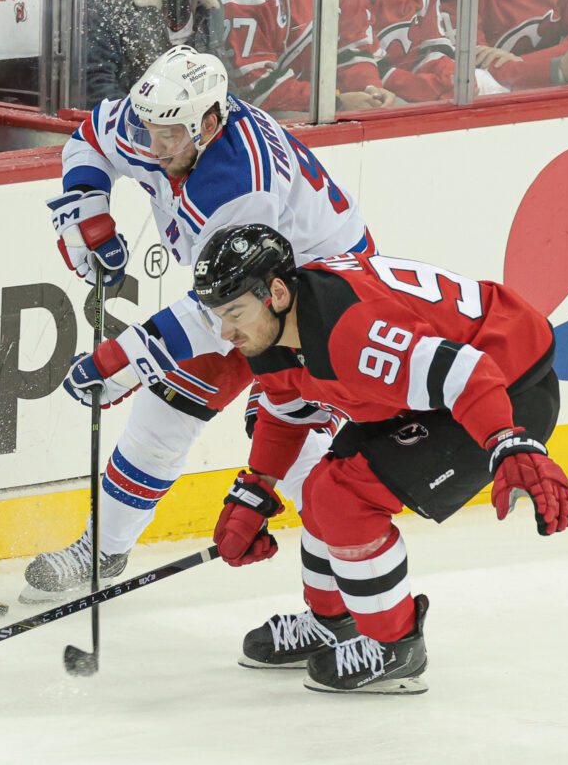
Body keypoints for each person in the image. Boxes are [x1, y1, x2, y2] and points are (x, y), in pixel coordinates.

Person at [24, 44, 376, 602]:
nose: (154, 147)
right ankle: (102, 550)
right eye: (148, 131)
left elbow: (234, 309)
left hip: (320, 298)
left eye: (170, 136)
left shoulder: (237, 183)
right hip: (251, 287)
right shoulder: (163, 124)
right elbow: (90, 137)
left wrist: (125, 357)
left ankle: (354, 591)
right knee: (163, 409)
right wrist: (87, 210)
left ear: (209, 123)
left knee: (288, 440)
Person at [192, 224, 568, 693]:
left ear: (275, 291)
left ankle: (396, 647)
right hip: (448, 386)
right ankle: (331, 622)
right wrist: (257, 489)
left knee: (343, 497)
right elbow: (284, 411)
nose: (226, 331)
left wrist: (508, 443)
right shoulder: (275, 332)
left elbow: (468, 374)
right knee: (319, 487)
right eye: (216, 315)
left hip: (507, 388)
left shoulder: (349, 333)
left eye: (234, 312)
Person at [209, 0, 397, 113]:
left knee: (390, 112)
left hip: (319, 102)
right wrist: (336, 101)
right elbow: (253, 90)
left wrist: (369, 88)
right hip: (253, 114)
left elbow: (353, 50)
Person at [342, 0, 507, 102]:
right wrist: (430, 88)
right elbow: (354, 66)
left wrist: (452, 78)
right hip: (358, 88)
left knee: (481, 84)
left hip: (405, 82)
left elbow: (432, 44)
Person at [85, 0, 226, 105]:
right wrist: (154, 124)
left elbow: (219, 81)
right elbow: (95, 86)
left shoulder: (210, 5)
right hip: (131, 125)